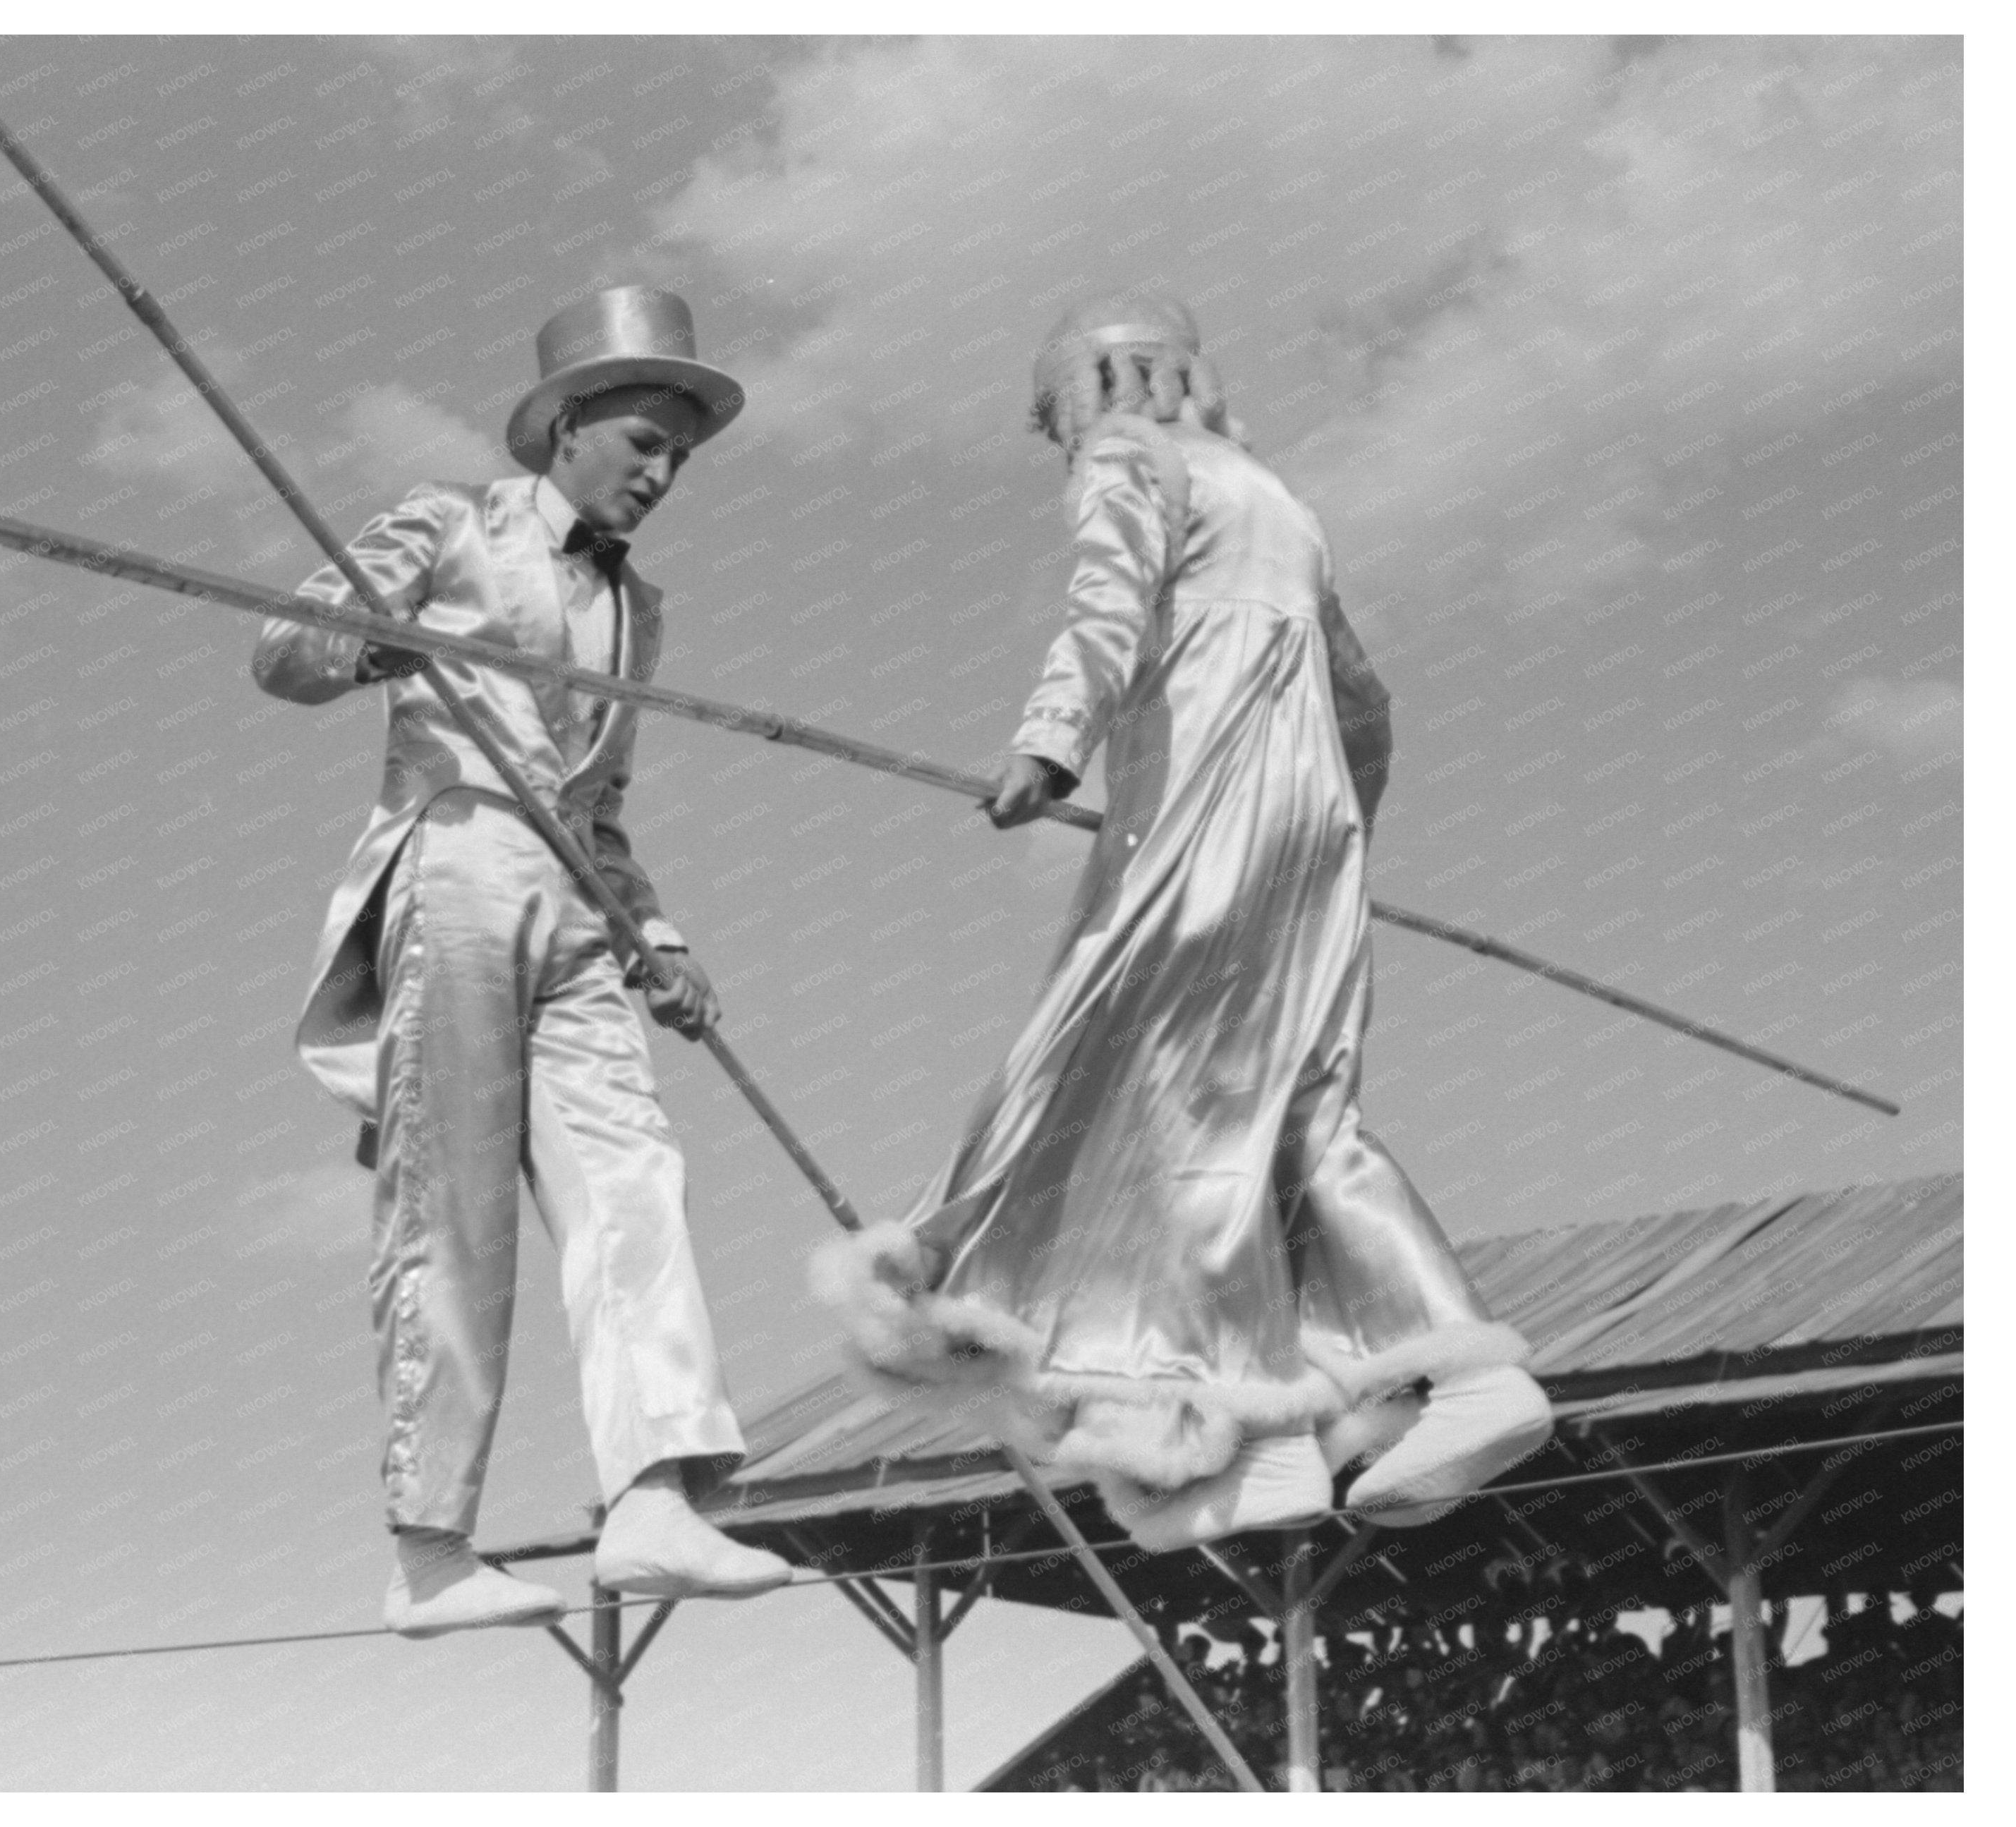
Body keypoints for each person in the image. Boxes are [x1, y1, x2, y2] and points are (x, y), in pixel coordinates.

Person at [816, 292, 1550, 1551]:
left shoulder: (1128, 459)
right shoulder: (1274, 495)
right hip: (1311, 832)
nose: (1066, 446)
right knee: (1300, 1115)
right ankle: (1450, 1385)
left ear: (1091, 391)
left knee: (1149, 1095)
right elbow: (1362, 700)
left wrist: (1048, 747)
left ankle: (1238, 1419)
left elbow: (1105, 605)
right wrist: (1331, 842)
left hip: (1202, 811)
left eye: (1057, 420)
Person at [252, 286, 789, 1637]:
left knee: (633, 1178)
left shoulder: (637, 611)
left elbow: (596, 806)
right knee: (457, 1210)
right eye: (646, 444)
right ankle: (431, 1545)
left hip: (571, 903)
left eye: (681, 455)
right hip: (456, 864)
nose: (664, 476)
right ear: (565, 424)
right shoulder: (449, 520)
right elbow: (284, 650)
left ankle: (658, 1494)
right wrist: (369, 633)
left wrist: (654, 936)